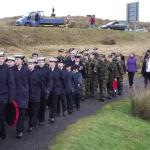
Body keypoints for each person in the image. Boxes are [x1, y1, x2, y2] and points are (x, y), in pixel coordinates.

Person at [13, 54, 30, 138]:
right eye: (15, 59)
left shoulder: (26, 70)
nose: (16, 60)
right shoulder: (12, 70)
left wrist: (28, 94)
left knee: (22, 114)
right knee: (15, 113)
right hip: (15, 96)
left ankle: (20, 131)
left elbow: (29, 83)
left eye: (17, 59)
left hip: (23, 96)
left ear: (22, 61)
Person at [0, 51, 15, 140]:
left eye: (1, 58)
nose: (0, 60)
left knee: (0, 115)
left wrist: (10, 98)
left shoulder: (7, 70)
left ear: (3, 59)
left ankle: (2, 133)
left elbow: (11, 85)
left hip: (3, 97)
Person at [27, 59, 43, 132]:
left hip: (36, 95)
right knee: (30, 111)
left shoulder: (38, 73)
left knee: (34, 110)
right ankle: (32, 122)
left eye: (31, 64)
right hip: (28, 95)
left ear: (34, 64)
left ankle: (31, 124)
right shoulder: (26, 73)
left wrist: (45, 92)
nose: (30, 65)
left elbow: (41, 84)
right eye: (29, 64)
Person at [37, 57, 50, 125]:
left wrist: (48, 89)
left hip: (44, 91)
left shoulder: (47, 70)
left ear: (44, 62)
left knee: (42, 106)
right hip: (36, 91)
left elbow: (49, 80)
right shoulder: (35, 69)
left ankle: (41, 120)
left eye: (42, 62)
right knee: (36, 106)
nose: (40, 63)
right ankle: (36, 119)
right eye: (39, 62)